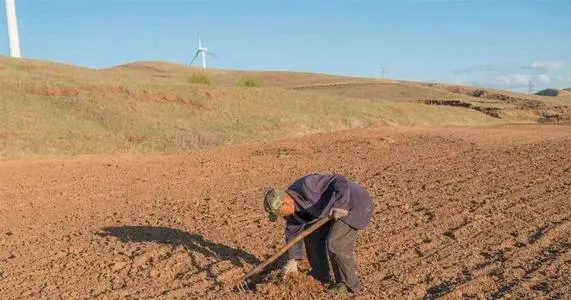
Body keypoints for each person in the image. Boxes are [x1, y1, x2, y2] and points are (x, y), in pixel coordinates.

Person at [263, 173, 374, 294]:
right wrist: (293, 260)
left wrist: (340, 204)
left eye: (280, 212)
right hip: (328, 211)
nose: (281, 216)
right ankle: (320, 274)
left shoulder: (308, 185)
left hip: (352, 203)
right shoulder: (290, 211)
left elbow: (339, 180)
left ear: (286, 202)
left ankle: (348, 285)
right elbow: (293, 231)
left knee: (335, 243)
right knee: (312, 236)